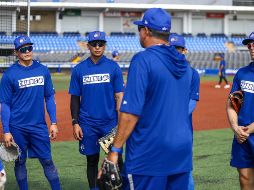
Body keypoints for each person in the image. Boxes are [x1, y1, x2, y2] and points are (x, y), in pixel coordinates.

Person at [99, 8, 194, 190]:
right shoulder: (184, 63)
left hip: (149, 152)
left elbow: (130, 113)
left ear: (147, 31)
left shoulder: (143, 60)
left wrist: (115, 151)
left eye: (140, 29)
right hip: (181, 151)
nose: (139, 33)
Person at [0, 36, 61, 190]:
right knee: (20, 162)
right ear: (16, 52)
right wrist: (6, 131)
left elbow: (49, 97)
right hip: (17, 127)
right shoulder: (9, 75)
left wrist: (53, 122)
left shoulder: (42, 70)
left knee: (47, 160)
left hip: (39, 126)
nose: (27, 52)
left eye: (29, 48)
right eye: (23, 49)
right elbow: (5, 105)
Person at [69, 31, 124, 190]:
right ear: (88, 46)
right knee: (92, 160)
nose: (98, 47)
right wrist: (75, 122)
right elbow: (74, 98)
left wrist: (120, 122)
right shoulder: (79, 69)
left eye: (101, 43)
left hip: (109, 123)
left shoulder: (113, 67)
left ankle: (118, 187)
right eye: (94, 44)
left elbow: (119, 96)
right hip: (88, 124)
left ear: (105, 45)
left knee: (116, 160)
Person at [169, 33, 200, 190]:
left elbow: (192, 102)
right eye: (172, 48)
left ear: (184, 50)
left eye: (178, 49)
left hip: (182, 129)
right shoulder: (161, 71)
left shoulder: (192, 73)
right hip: (160, 130)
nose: (175, 52)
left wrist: (173, 118)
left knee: (184, 169)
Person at [226, 31, 254, 190]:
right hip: (242, 137)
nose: (251, 47)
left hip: (247, 131)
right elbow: (232, 104)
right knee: (244, 178)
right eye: (249, 44)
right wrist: (235, 127)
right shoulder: (242, 74)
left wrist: (249, 129)